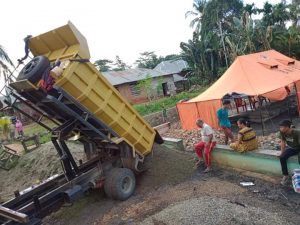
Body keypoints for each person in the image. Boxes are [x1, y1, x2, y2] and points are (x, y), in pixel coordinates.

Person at [277, 119, 300, 185]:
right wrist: (282, 152)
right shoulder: (282, 133)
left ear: (287, 127)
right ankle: (285, 175)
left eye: (282, 127)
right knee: (282, 157)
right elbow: (283, 142)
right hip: (293, 148)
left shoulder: (297, 132)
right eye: (280, 127)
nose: (280, 128)